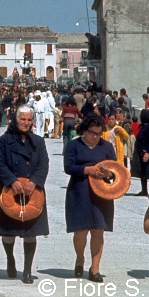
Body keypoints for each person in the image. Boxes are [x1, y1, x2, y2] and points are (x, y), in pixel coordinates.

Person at [0, 105, 50, 284]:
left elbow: (43, 165)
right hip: (10, 190)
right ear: (16, 120)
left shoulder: (38, 141)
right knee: (8, 234)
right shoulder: (4, 140)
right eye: (23, 119)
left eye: (29, 120)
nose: (26, 123)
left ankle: (27, 271)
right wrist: (12, 181)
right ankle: (10, 259)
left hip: (33, 191)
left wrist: (34, 182)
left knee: (31, 234)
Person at [63, 112, 117, 283]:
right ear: (84, 131)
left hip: (102, 194)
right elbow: (68, 167)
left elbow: (115, 170)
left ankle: (95, 268)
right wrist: (87, 170)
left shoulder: (107, 147)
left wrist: (107, 173)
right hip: (79, 192)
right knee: (80, 231)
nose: (95, 137)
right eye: (92, 133)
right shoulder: (73, 146)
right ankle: (80, 258)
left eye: (98, 133)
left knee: (98, 230)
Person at [130, 109, 149, 196]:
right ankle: (144, 190)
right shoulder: (144, 126)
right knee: (143, 172)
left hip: (148, 152)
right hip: (141, 152)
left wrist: (147, 152)